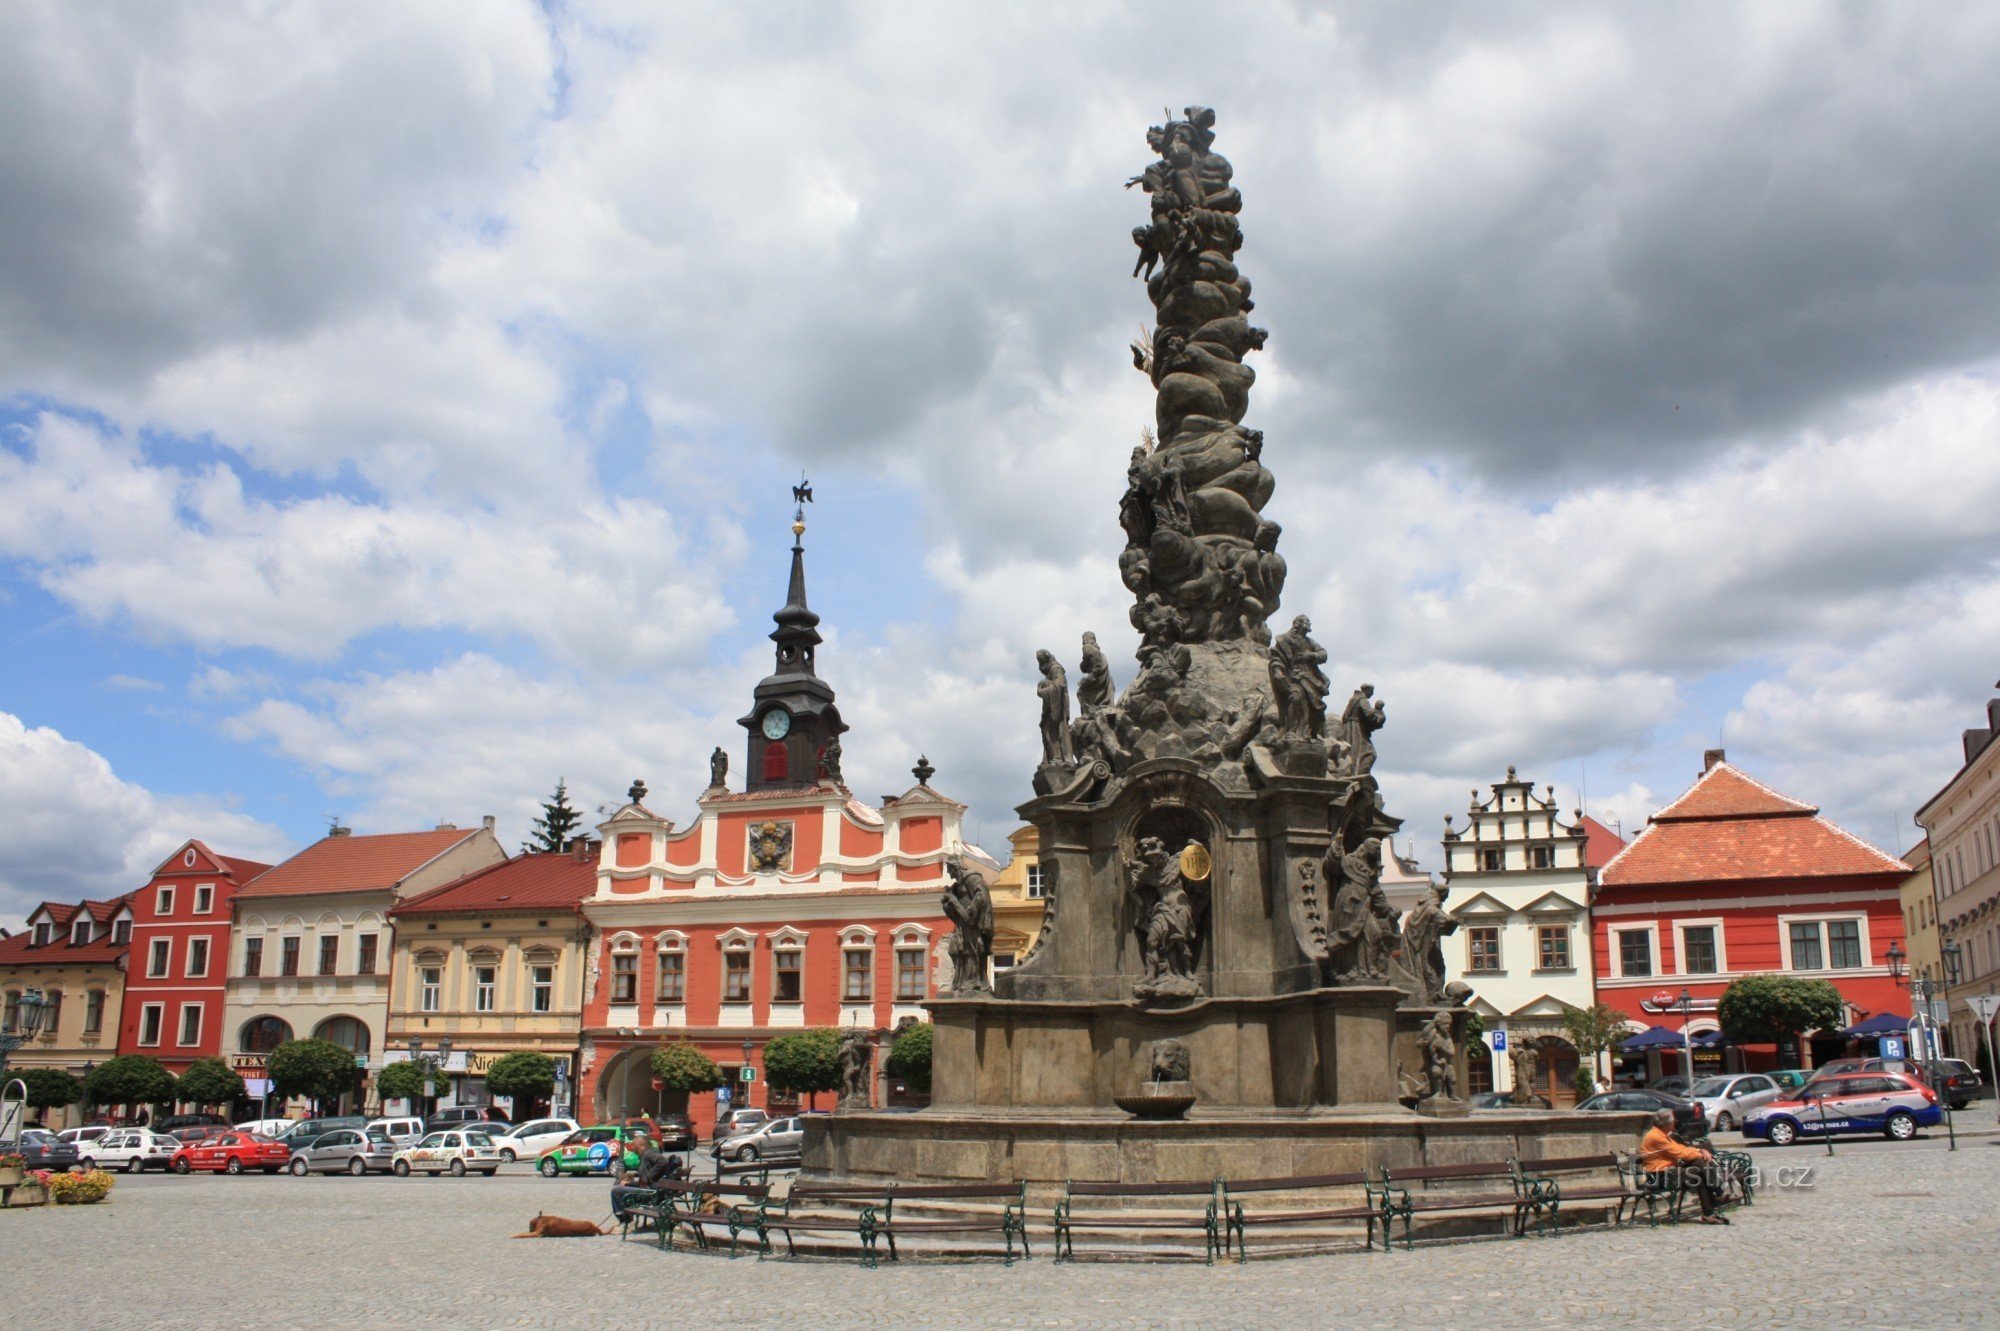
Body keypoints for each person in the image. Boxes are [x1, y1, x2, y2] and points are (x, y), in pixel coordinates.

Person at [1638, 1109, 1728, 1224]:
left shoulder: (1661, 1134)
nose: (1676, 1121)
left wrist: (1700, 1150)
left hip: (1668, 1172)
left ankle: (1712, 1207)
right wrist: (1701, 1153)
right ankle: (1716, 1196)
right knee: (1700, 1169)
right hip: (1660, 1177)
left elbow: (1681, 1149)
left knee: (1699, 1166)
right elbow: (1681, 1154)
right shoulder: (1657, 1137)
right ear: (1668, 1123)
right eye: (1674, 1120)